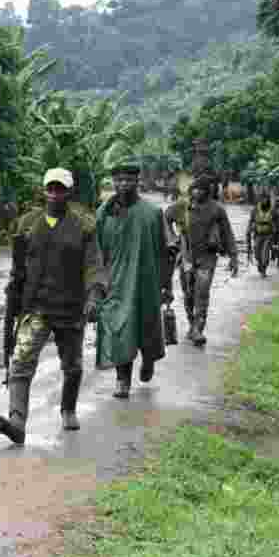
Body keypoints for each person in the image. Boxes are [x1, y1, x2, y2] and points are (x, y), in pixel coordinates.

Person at [0, 168, 105, 442]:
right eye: (50, 188)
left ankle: (68, 409)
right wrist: (13, 298)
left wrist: (94, 296)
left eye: (60, 189)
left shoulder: (84, 225)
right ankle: (17, 420)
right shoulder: (27, 224)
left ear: (69, 192)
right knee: (20, 361)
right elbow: (18, 268)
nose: (55, 194)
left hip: (70, 306)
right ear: (44, 190)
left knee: (73, 365)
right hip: (37, 306)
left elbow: (93, 265)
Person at [94, 162, 172, 399]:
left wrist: (166, 284)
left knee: (147, 329)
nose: (123, 185)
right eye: (118, 180)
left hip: (147, 283)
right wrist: (96, 287)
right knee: (119, 330)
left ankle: (148, 361)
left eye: (128, 180)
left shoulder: (152, 213)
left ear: (137, 182)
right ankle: (122, 379)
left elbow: (167, 250)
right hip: (116, 286)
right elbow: (95, 254)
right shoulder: (103, 214)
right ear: (113, 183)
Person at [165, 176, 239, 346]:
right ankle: (192, 323)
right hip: (186, 256)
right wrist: (172, 237)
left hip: (208, 257)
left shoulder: (217, 210)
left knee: (202, 292)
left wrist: (234, 257)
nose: (197, 192)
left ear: (208, 191)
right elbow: (165, 218)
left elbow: (227, 233)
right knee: (188, 292)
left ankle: (199, 328)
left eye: (201, 189)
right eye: (195, 189)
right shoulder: (183, 206)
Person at [247, 193, 275, 278]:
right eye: (263, 199)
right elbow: (251, 220)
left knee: (265, 253)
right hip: (257, 234)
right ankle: (260, 264)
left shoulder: (272, 210)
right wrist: (249, 230)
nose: (264, 201)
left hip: (268, 235)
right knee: (257, 253)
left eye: (266, 199)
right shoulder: (255, 209)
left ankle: (264, 270)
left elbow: (276, 221)